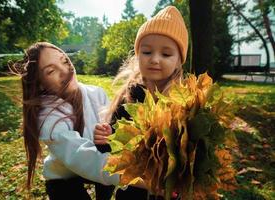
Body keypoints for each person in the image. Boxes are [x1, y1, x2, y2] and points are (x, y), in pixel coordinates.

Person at [94, 6, 188, 200]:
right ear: (138, 55)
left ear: (179, 61)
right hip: (132, 192)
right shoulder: (130, 96)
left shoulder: (186, 102)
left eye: (166, 54)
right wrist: (105, 138)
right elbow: (110, 153)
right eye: (147, 52)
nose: (154, 59)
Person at [13, 42, 117, 200]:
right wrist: (130, 174)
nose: (65, 71)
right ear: (40, 83)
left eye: (65, 61)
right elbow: (78, 155)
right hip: (63, 175)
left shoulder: (97, 93)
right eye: (51, 71)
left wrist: (109, 135)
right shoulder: (47, 116)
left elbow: (112, 137)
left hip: (99, 160)